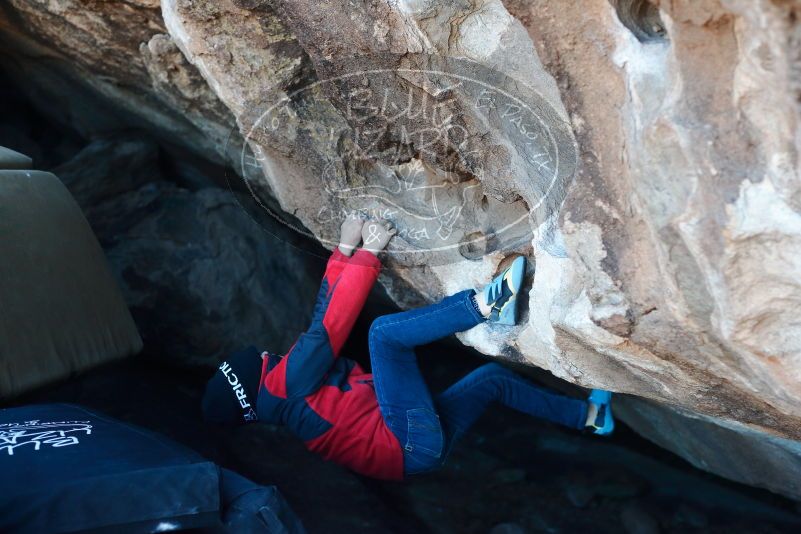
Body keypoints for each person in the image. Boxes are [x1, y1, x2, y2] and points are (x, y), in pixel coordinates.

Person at [201, 214, 614, 480]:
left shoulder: (283, 399)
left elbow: (320, 320)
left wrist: (343, 251)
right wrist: (368, 253)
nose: (259, 354)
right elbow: (330, 324)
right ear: (248, 383)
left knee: (492, 381)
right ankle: (488, 305)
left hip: (416, 454)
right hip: (406, 439)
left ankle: (592, 416)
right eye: (251, 362)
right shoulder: (284, 386)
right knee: (384, 336)